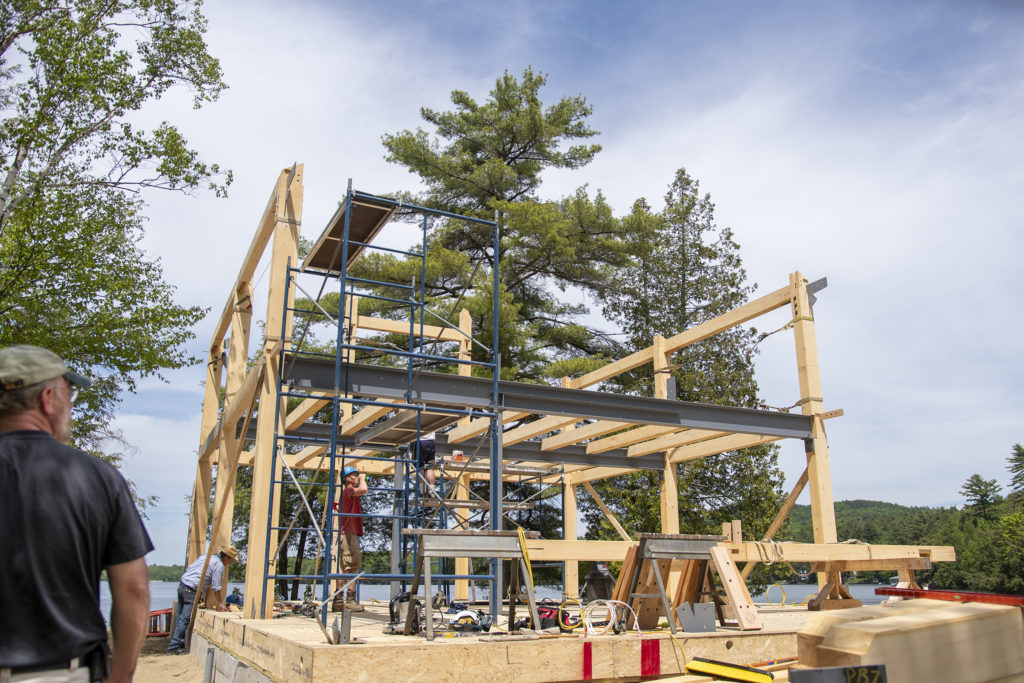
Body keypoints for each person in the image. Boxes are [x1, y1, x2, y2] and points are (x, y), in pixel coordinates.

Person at [0, 345, 153, 683]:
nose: (71, 407)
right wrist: (121, 676)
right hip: (59, 672)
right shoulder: (97, 478)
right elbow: (134, 589)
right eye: (70, 395)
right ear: (48, 398)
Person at [166, 545, 238, 653]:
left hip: (183, 585)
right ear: (227, 558)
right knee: (185, 619)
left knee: (181, 617)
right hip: (191, 590)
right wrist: (220, 604)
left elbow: (191, 569)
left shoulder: (207, 556)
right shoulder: (218, 565)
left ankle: (179, 643)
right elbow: (216, 587)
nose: (230, 564)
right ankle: (173, 647)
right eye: (231, 561)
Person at [332, 464, 367, 612]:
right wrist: (364, 478)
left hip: (348, 532)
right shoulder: (348, 490)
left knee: (346, 566)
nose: (357, 477)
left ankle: (339, 600)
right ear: (347, 479)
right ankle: (348, 600)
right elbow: (364, 489)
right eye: (354, 475)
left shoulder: (348, 492)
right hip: (348, 533)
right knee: (352, 566)